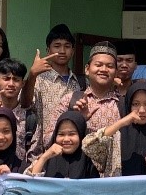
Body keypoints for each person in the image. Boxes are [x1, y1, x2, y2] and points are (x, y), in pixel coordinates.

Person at [24, 23, 83, 157]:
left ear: (73, 51)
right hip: (42, 153)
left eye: (67, 46)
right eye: (57, 46)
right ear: (48, 50)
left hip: (74, 151)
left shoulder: (81, 83)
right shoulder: (38, 79)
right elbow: (25, 103)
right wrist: (32, 75)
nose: (62, 50)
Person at [83, 80, 146, 177]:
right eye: (135, 104)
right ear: (128, 105)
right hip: (119, 186)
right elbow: (88, 145)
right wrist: (121, 122)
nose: (142, 110)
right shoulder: (116, 135)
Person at [28, 110, 103, 179]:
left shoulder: (91, 161)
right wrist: (44, 157)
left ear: (81, 135)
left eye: (72, 134)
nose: (66, 139)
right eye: (61, 134)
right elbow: (33, 182)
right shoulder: (48, 158)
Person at [70, 42, 123, 137]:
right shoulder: (70, 100)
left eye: (110, 66)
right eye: (98, 65)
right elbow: (49, 137)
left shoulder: (124, 104)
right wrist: (78, 120)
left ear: (116, 73)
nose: (104, 69)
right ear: (87, 69)